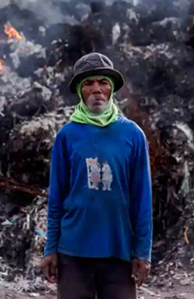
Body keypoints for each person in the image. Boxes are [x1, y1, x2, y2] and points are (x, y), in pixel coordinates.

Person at [40, 52, 153, 299]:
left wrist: (142, 253)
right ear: (80, 91)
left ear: (111, 89)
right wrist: (51, 249)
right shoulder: (67, 136)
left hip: (118, 250)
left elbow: (142, 200)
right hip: (73, 252)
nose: (96, 89)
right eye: (88, 83)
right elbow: (56, 198)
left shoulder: (133, 135)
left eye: (103, 82)